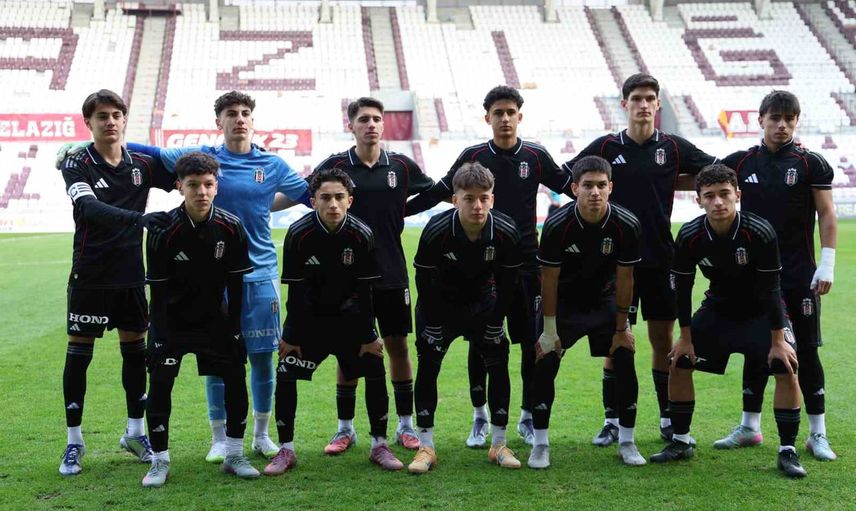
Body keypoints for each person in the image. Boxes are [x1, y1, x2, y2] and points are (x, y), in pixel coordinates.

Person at [124, 91, 310, 462]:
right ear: (218, 121)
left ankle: (261, 435)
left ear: (253, 120)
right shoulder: (205, 158)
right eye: (231, 113)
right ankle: (220, 438)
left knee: (262, 358)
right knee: (216, 359)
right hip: (212, 279)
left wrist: (268, 203)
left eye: (245, 113)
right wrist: (87, 146)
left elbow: (309, 194)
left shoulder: (272, 164)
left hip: (260, 274)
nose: (239, 118)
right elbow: (152, 152)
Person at [407, 86, 571, 448]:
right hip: (479, 266)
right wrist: (397, 211)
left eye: (511, 112)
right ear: (488, 118)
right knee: (481, 340)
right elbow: (440, 191)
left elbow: (572, 186)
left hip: (524, 266)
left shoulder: (535, 155)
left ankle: (526, 416)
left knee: (528, 343)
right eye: (498, 112)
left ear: (519, 116)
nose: (505, 118)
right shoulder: (474, 156)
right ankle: (480, 416)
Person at [563, 74, 717, 445]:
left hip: (661, 259)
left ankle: (666, 417)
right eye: (637, 98)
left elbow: (715, 171)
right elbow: (567, 177)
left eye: (650, 98)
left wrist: (673, 181)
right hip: (614, 262)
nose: (644, 104)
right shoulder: (605, 146)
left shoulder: (673, 147)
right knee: (617, 340)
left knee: (662, 341)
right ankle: (612, 420)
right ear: (625, 104)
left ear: (658, 104)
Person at [650, 164, 806, 478]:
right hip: (718, 310)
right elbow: (682, 288)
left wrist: (778, 340)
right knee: (679, 360)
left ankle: (787, 450)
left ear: (738, 195)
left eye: (724, 194)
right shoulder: (690, 235)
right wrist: (685, 337)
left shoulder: (759, 231)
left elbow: (772, 289)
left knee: (785, 364)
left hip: (762, 312)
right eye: (709, 196)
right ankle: (681, 441)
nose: (718, 202)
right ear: (699, 201)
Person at [58, 89, 174, 476]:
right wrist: (139, 220)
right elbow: (88, 207)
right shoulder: (77, 163)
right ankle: (74, 441)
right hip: (90, 273)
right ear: (88, 123)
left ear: (124, 120)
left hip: (130, 275)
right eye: (101, 116)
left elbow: (186, 174)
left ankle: (135, 433)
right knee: (80, 354)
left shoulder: (142, 163)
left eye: (115, 115)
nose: (110, 122)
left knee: (135, 353)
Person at [310, 97, 434, 454]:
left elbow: (432, 191)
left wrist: (402, 209)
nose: (371, 125)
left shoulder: (401, 165)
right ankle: (345, 429)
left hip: (391, 271)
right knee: (347, 349)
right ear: (351, 125)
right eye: (363, 119)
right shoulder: (335, 165)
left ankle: (405, 425)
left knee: (398, 346)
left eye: (377, 119)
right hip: (346, 276)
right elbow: (312, 195)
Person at [718, 91, 837, 460]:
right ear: (761, 120)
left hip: (799, 274)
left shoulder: (811, 163)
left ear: (797, 122)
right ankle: (749, 427)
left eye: (789, 119)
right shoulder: (739, 162)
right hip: (753, 275)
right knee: (757, 347)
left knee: (808, 350)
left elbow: (826, 213)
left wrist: (827, 262)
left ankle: (817, 434)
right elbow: (702, 181)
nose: (782, 125)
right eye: (775, 118)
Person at [264, 168, 403, 475]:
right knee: (286, 372)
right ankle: (286, 449)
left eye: (339, 197)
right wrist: (291, 336)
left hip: (351, 323)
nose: (333, 204)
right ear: (313, 201)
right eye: (325, 198)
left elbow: (366, 291)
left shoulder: (362, 234)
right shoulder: (299, 234)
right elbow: (295, 292)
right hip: (310, 324)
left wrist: (369, 336)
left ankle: (379, 444)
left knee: (375, 366)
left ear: (349, 200)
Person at [142, 152, 259, 487]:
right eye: (193, 185)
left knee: (235, 379)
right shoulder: (163, 229)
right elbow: (158, 290)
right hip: (172, 322)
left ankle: (234, 454)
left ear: (217, 186)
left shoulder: (231, 226)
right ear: (180, 186)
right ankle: (159, 461)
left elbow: (236, 284)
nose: (202, 192)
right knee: (160, 386)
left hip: (215, 321)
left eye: (208, 184)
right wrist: (158, 335)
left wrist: (235, 329)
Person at [408, 162, 523, 474]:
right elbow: (423, 281)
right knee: (429, 366)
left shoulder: (506, 231)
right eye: (469, 198)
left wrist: (496, 320)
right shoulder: (436, 230)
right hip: (439, 305)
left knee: (498, 363)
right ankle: (425, 446)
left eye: (484, 198)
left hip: (484, 304)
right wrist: (432, 323)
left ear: (492, 199)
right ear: (455, 199)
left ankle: (499, 443)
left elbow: (509, 283)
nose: (477, 206)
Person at [529, 156, 644, 469]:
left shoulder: (627, 224)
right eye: (588, 185)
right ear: (575, 188)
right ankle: (540, 444)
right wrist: (549, 330)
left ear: (611, 188)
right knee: (545, 360)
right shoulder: (557, 225)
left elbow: (626, 279)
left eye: (601, 185)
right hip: (564, 303)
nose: (595, 192)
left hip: (604, 301)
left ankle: (627, 441)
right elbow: (549, 281)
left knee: (624, 356)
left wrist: (622, 328)